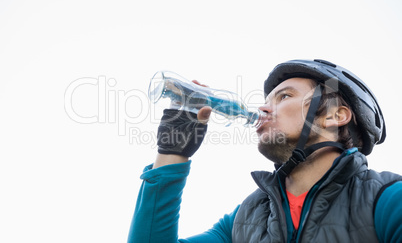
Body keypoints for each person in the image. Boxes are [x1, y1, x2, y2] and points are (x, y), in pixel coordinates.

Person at [127, 59, 402, 242]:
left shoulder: (388, 200)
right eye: (266, 100)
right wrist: (172, 152)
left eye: (285, 96)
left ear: (333, 116)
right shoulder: (244, 219)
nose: (263, 109)